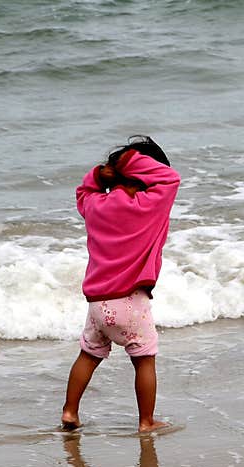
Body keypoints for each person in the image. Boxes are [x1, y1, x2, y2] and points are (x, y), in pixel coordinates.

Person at [61, 135, 181, 433]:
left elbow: (83, 190)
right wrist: (129, 159)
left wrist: (102, 171)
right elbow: (170, 178)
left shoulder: (95, 204)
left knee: (88, 355)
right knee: (144, 359)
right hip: (130, 299)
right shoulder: (148, 204)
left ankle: (69, 411)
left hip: (97, 303)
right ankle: (146, 421)